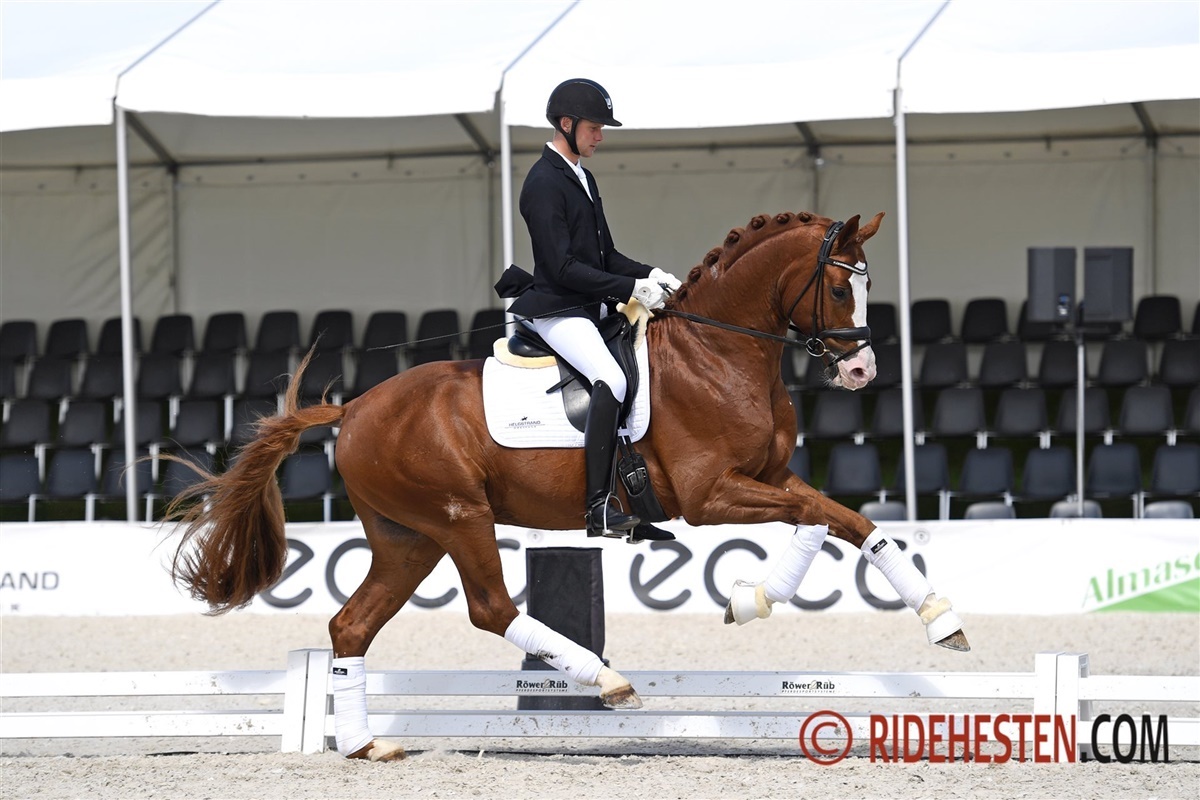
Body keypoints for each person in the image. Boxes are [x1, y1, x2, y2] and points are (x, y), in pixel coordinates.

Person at [504, 77, 682, 538]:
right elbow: (562, 268)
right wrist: (630, 288)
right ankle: (598, 508)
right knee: (612, 379)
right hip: (560, 310)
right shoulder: (543, 182)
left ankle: (636, 496)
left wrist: (652, 274)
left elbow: (606, 256)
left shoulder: (582, 176)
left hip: (590, 306)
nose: (600, 136)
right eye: (595, 127)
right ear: (566, 123)